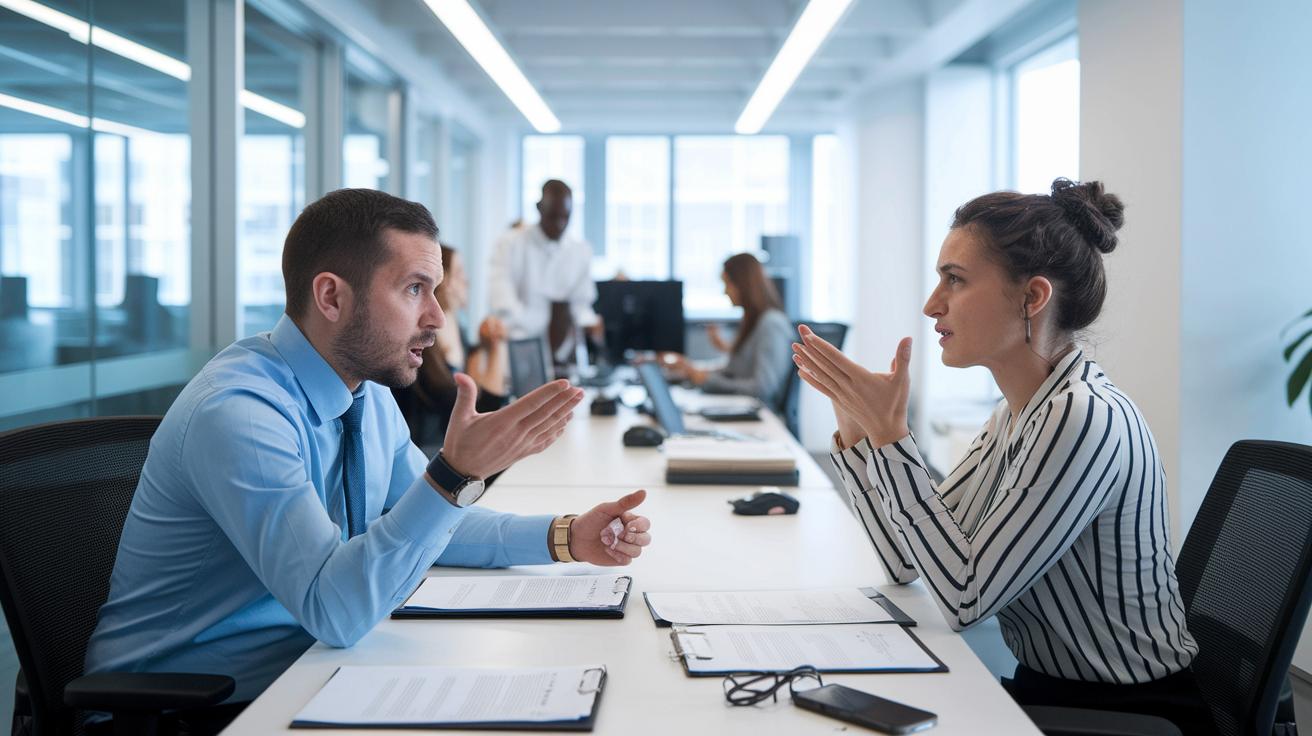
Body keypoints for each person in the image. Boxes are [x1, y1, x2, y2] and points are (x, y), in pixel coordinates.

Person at [83, 189, 653, 734]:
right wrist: (453, 476)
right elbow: (335, 610)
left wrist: (567, 538)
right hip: (194, 709)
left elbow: (428, 521)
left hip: (311, 670)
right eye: (414, 289)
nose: (437, 318)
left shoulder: (366, 395)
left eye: (436, 291)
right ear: (332, 297)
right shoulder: (240, 414)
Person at [792, 179, 1211, 732]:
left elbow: (964, 599)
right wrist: (858, 431)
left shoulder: (1080, 416)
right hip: (1052, 692)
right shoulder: (1016, 412)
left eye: (955, 279)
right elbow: (909, 560)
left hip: (1126, 715)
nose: (932, 304)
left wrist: (891, 437)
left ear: (1032, 298)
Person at [393, 243, 508, 448]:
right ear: (443, 281)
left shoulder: (459, 328)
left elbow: (479, 397)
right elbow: (481, 412)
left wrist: (483, 347)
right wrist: (495, 348)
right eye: (459, 274)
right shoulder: (422, 344)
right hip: (428, 451)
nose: (467, 282)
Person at [662, 253, 793, 408]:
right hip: (743, 407)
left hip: (761, 414)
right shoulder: (753, 321)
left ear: (743, 284)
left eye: (727, 283)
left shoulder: (771, 323)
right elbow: (733, 370)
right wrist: (692, 371)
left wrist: (706, 379)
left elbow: (763, 388)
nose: (725, 291)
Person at [488, 180, 600, 354]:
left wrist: (589, 322)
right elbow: (503, 305)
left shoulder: (581, 252)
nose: (559, 224)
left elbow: (581, 305)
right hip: (519, 348)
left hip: (565, 352)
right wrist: (542, 328)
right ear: (539, 208)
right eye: (553, 216)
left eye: (566, 217)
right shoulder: (509, 244)